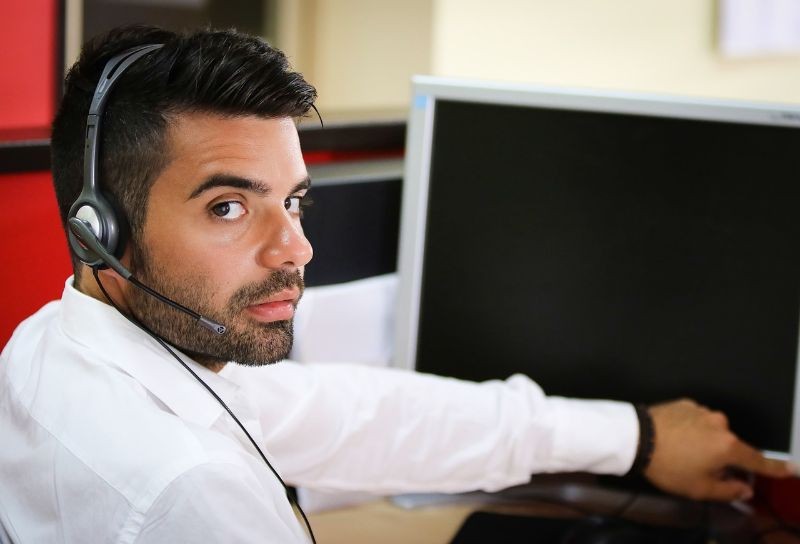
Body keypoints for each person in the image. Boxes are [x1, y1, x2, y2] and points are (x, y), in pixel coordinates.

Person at [0, 24, 792, 543]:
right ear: (98, 228)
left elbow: (357, 415)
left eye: (295, 200)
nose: (296, 248)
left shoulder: (58, 344)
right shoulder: (190, 495)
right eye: (229, 206)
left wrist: (638, 437)